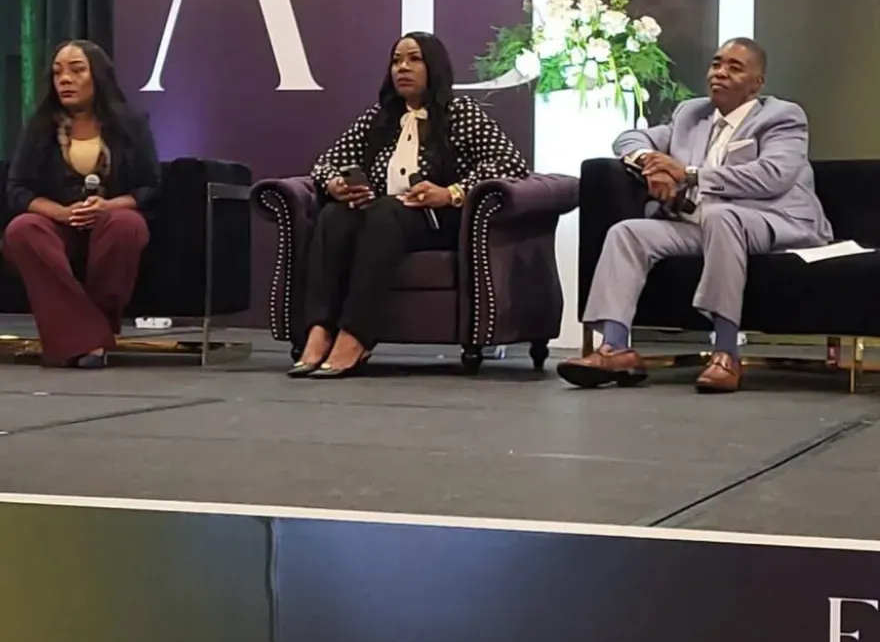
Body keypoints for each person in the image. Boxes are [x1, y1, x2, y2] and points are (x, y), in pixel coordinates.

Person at [558, 37, 832, 396]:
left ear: (757, 83)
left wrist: (689, 174)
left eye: (734, 67)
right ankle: (615, 347)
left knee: (721, 216)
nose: (720, 72)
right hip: (703, 224)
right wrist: (650, 164)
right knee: (628, 233)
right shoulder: (691, 115)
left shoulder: (782, 117)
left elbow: (772, 176)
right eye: (716, 64)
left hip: (774, 219)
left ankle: (726, 352)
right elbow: (629, 138)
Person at [293, 32, 528, 378]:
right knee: (334, 215)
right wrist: (336, 184)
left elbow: (511, 163)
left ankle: (356, 335)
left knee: (386, 213)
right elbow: (326, 162)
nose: (402, 68)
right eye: (396, 60)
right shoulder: (379, 117)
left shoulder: (460, 112)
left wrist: (451, 192)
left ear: (434, 66)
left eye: (414, 59)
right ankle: (320, 330)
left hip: (438, 219)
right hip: (383, 218)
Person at [3, 41, 160, 368]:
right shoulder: (40, 127)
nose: (65, 79)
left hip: (111, 219)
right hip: (59, 224)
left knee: (126, 225)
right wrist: (60, 213)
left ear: (97, 76)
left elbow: (150, 187)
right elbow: (17, 190)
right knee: (22, 229)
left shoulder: (131, 123)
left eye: (76, 70)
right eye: (58, 72)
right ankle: (91, 340)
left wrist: (108, 207)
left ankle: (81, 337)